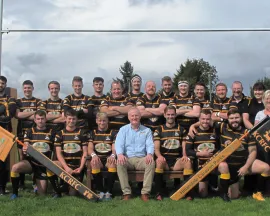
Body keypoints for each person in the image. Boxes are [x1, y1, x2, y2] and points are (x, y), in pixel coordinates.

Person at [218, 108, 270, 201]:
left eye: (237, 117)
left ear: (241, 118)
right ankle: (224, 192)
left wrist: (246, 166)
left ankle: (258, 193)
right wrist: (193, 126)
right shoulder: (222, 127)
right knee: (222, 165)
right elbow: (205, 121)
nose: (234, 120)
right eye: (231, 118)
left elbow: (253, 152)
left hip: (242, 164)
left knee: (266, 168)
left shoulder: (247, 132)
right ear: (227, 119)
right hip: (228, 166)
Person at [10, 110, 55, 199]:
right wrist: (25, 148)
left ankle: (37, 185)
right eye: (38, 119)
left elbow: (55, 150)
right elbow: (26, 144)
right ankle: (15, 194)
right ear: (34, 120)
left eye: (42, 119)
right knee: (15, 167)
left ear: (46, 119)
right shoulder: (29, 131)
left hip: (43, 165)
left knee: (42, 195)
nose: (40, 121)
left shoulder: (52, 132)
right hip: (31, 162)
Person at [115, 107, 155, 201]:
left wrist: (149, 154)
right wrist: (120, 154)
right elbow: (119, 143)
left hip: (141, 159)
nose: (134, 117)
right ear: (128, 117)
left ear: (140, 116)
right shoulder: (123, 130)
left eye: (136, 115)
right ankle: (126, 193)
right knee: (120, 163)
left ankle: (145, 193)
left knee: (151, 162)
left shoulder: (147, 130)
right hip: (127, 158)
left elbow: (150, 144)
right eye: (132, 116)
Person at [154, 105, 193, 200]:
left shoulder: (181, 129)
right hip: (165, 160)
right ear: (164, 115)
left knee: (187, 162)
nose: (170, 116)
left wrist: (184, 155)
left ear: (175, 115)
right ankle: (159, 193)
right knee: (159, 162)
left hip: (176, 160)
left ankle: (187, 192)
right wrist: (159, 156)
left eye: (172, 114)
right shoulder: (159, 129)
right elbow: (156, 148)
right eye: (168, 114)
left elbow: (184, 144)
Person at [186, 109, 224, 199]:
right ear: (199, 119)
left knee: (213, 190)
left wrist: (212, 153)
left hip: (213, 164)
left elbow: (220, 148)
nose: (205, 121)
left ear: (210, 119)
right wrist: (200, 154)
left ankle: (217, 187)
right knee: (203, 194)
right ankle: (202, 186)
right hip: (200, 166)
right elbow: (188, 151)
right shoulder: (193, 132)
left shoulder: (216, 131)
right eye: (203, 119)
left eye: (207, 119)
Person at [54, 109, 88, 196]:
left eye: (73, 119)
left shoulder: (82, 133)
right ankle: (57, 190)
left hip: (77, 167)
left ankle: (65, 186)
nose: (71, 121)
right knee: (52, 164)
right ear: (65, 119)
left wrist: (80, 167)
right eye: (69, 118)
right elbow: (58, 153)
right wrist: (66, 167)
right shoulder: (59, 134)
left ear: (77, 120)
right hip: (65, 166)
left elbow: (85, 152)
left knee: (72, 194)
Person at [16, 80, 41, 190]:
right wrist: (33, 113)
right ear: (23, 89)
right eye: (25, 88)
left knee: (35, 157)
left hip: (34, 134)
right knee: (22, 157)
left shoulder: (38, 101)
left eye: (29, 88)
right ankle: (21, 183)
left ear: (33, 88)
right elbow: (18, 115)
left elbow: (38, 116)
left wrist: (25, 115)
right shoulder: (18, 101)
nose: (27, 90)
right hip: (21, 133)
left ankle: (35, 182)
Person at [88, 112, 117, 200]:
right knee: (94, 163)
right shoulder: (92, 133)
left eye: (104, 121)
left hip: (108, 157)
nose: (102, 123)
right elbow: (90, 148)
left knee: (112, 163)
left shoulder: (113, 133)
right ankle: (100, 191)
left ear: (107, 121)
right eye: (100, 121)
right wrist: (93, 155)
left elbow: (114, 148)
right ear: (96, 121)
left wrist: (112, 156)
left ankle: (109, 191)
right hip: (98, 158)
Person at [0, 75, 16, 195]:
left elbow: (10, 113)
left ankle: (2, 188)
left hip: (5, 134)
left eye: (3, 83)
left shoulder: (9, 98)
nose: (1, 85)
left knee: (3, 162)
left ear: (5, 85)